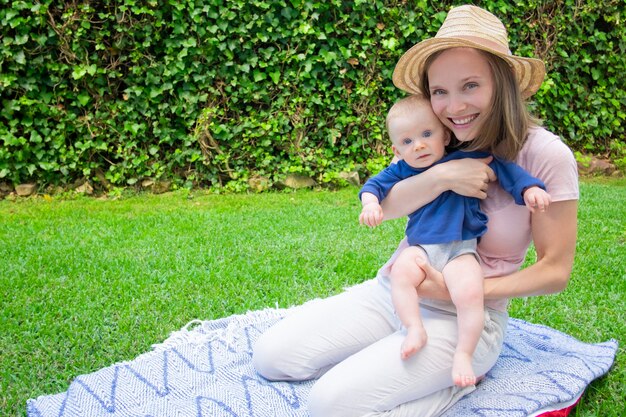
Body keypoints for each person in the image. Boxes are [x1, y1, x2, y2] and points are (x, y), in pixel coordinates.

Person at [253, 4, 578, 416]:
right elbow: (385, 208)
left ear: (503, 84)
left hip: (467, 316)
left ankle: (454, 385)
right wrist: (443, 177)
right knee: (273, 357)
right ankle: (387, 350)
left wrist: (462, 292)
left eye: (470, 86)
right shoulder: (432, 137)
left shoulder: (544, 155)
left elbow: (555, 271)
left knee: (327, 405)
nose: (454, 107)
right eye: (440, 91)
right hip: (396, 291)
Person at [358, 94, 551, 387]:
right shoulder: (403, 170)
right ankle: (413, 328)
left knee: (470, 293)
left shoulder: (467, 157)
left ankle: (464, 352)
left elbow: (508, 172)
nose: (419, 145)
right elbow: (373, 185)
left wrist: (529, 190)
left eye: (426, 134)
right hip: (421, 248)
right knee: (401, 273)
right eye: (408, 142)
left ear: (444, 136)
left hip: (461, 249)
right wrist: (370, 204)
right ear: (397, 150)